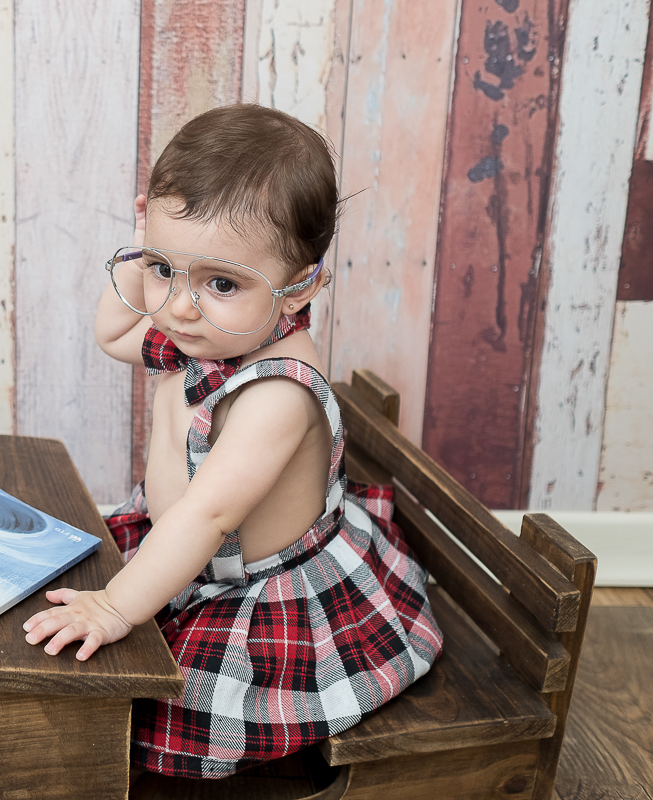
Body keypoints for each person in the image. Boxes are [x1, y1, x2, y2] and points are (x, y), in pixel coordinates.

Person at [23, 104, 443, 778]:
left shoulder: (275, 392)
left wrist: (114, 607)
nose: (179, 305)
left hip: (250, 589)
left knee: (152, 706)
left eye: (220, 282)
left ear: (298, 289)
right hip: (179, 548)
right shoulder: (210, 328)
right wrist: (145, 248)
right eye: (162, 269)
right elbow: (112, 334)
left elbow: (207, 515)